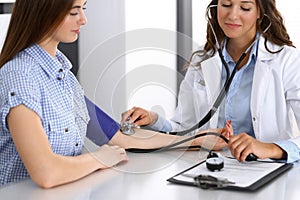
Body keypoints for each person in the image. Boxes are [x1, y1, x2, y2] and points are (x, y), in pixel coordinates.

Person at [0, 0, 231, 188]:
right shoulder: (20, 75)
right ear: (44, 12)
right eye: (74, 12)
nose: (84, 19)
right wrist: (100, 158)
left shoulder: (63, 76)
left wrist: (196, 140)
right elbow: (46, 173)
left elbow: (117, 136)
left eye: (83, 9)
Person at [122, 0, 300, 163]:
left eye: (245, 7)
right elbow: (185, 128)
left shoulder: (287, 61)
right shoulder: (202, 59)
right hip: (207, 168)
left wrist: (270, 149)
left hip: (268, 171)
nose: (232, 15)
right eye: (226, 4)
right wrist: (153, 120)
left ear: (260, 12)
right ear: (215, 7)